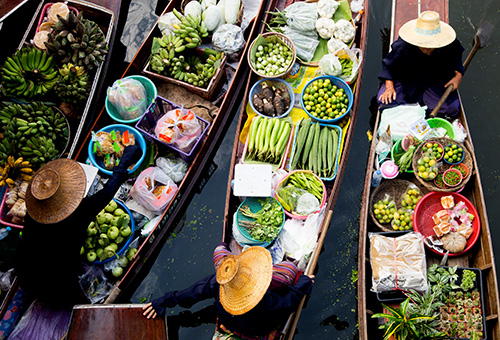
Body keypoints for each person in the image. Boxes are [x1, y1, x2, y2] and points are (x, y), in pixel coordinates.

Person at [15, 145, 142, 308]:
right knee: (69, 294)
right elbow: (106, 193)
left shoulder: (34, 213)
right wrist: (125, 161)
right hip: (54, 276)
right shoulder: (77, 213)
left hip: (25, 269)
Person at [142, 242, 314, 339]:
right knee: (289, 269)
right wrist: (303, 283)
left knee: (219, 250)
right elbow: (288, 303)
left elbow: (191, 293)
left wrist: (164, 301)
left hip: (229, 322)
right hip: (256, 330)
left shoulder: (218, 283)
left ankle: (225, 249)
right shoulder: (266, 300)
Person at [377, 11, 464, 118]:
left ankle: (420, 109)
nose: (426, 47)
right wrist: (389, 87)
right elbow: (389, 65)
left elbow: (457, 60)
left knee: (452, 109)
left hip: (434, 81)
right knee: (385, 102)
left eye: (430, 43)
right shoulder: (403, 45)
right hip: (407, 79)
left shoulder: (449, 45)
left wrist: (458, 77)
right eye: (422, 43)